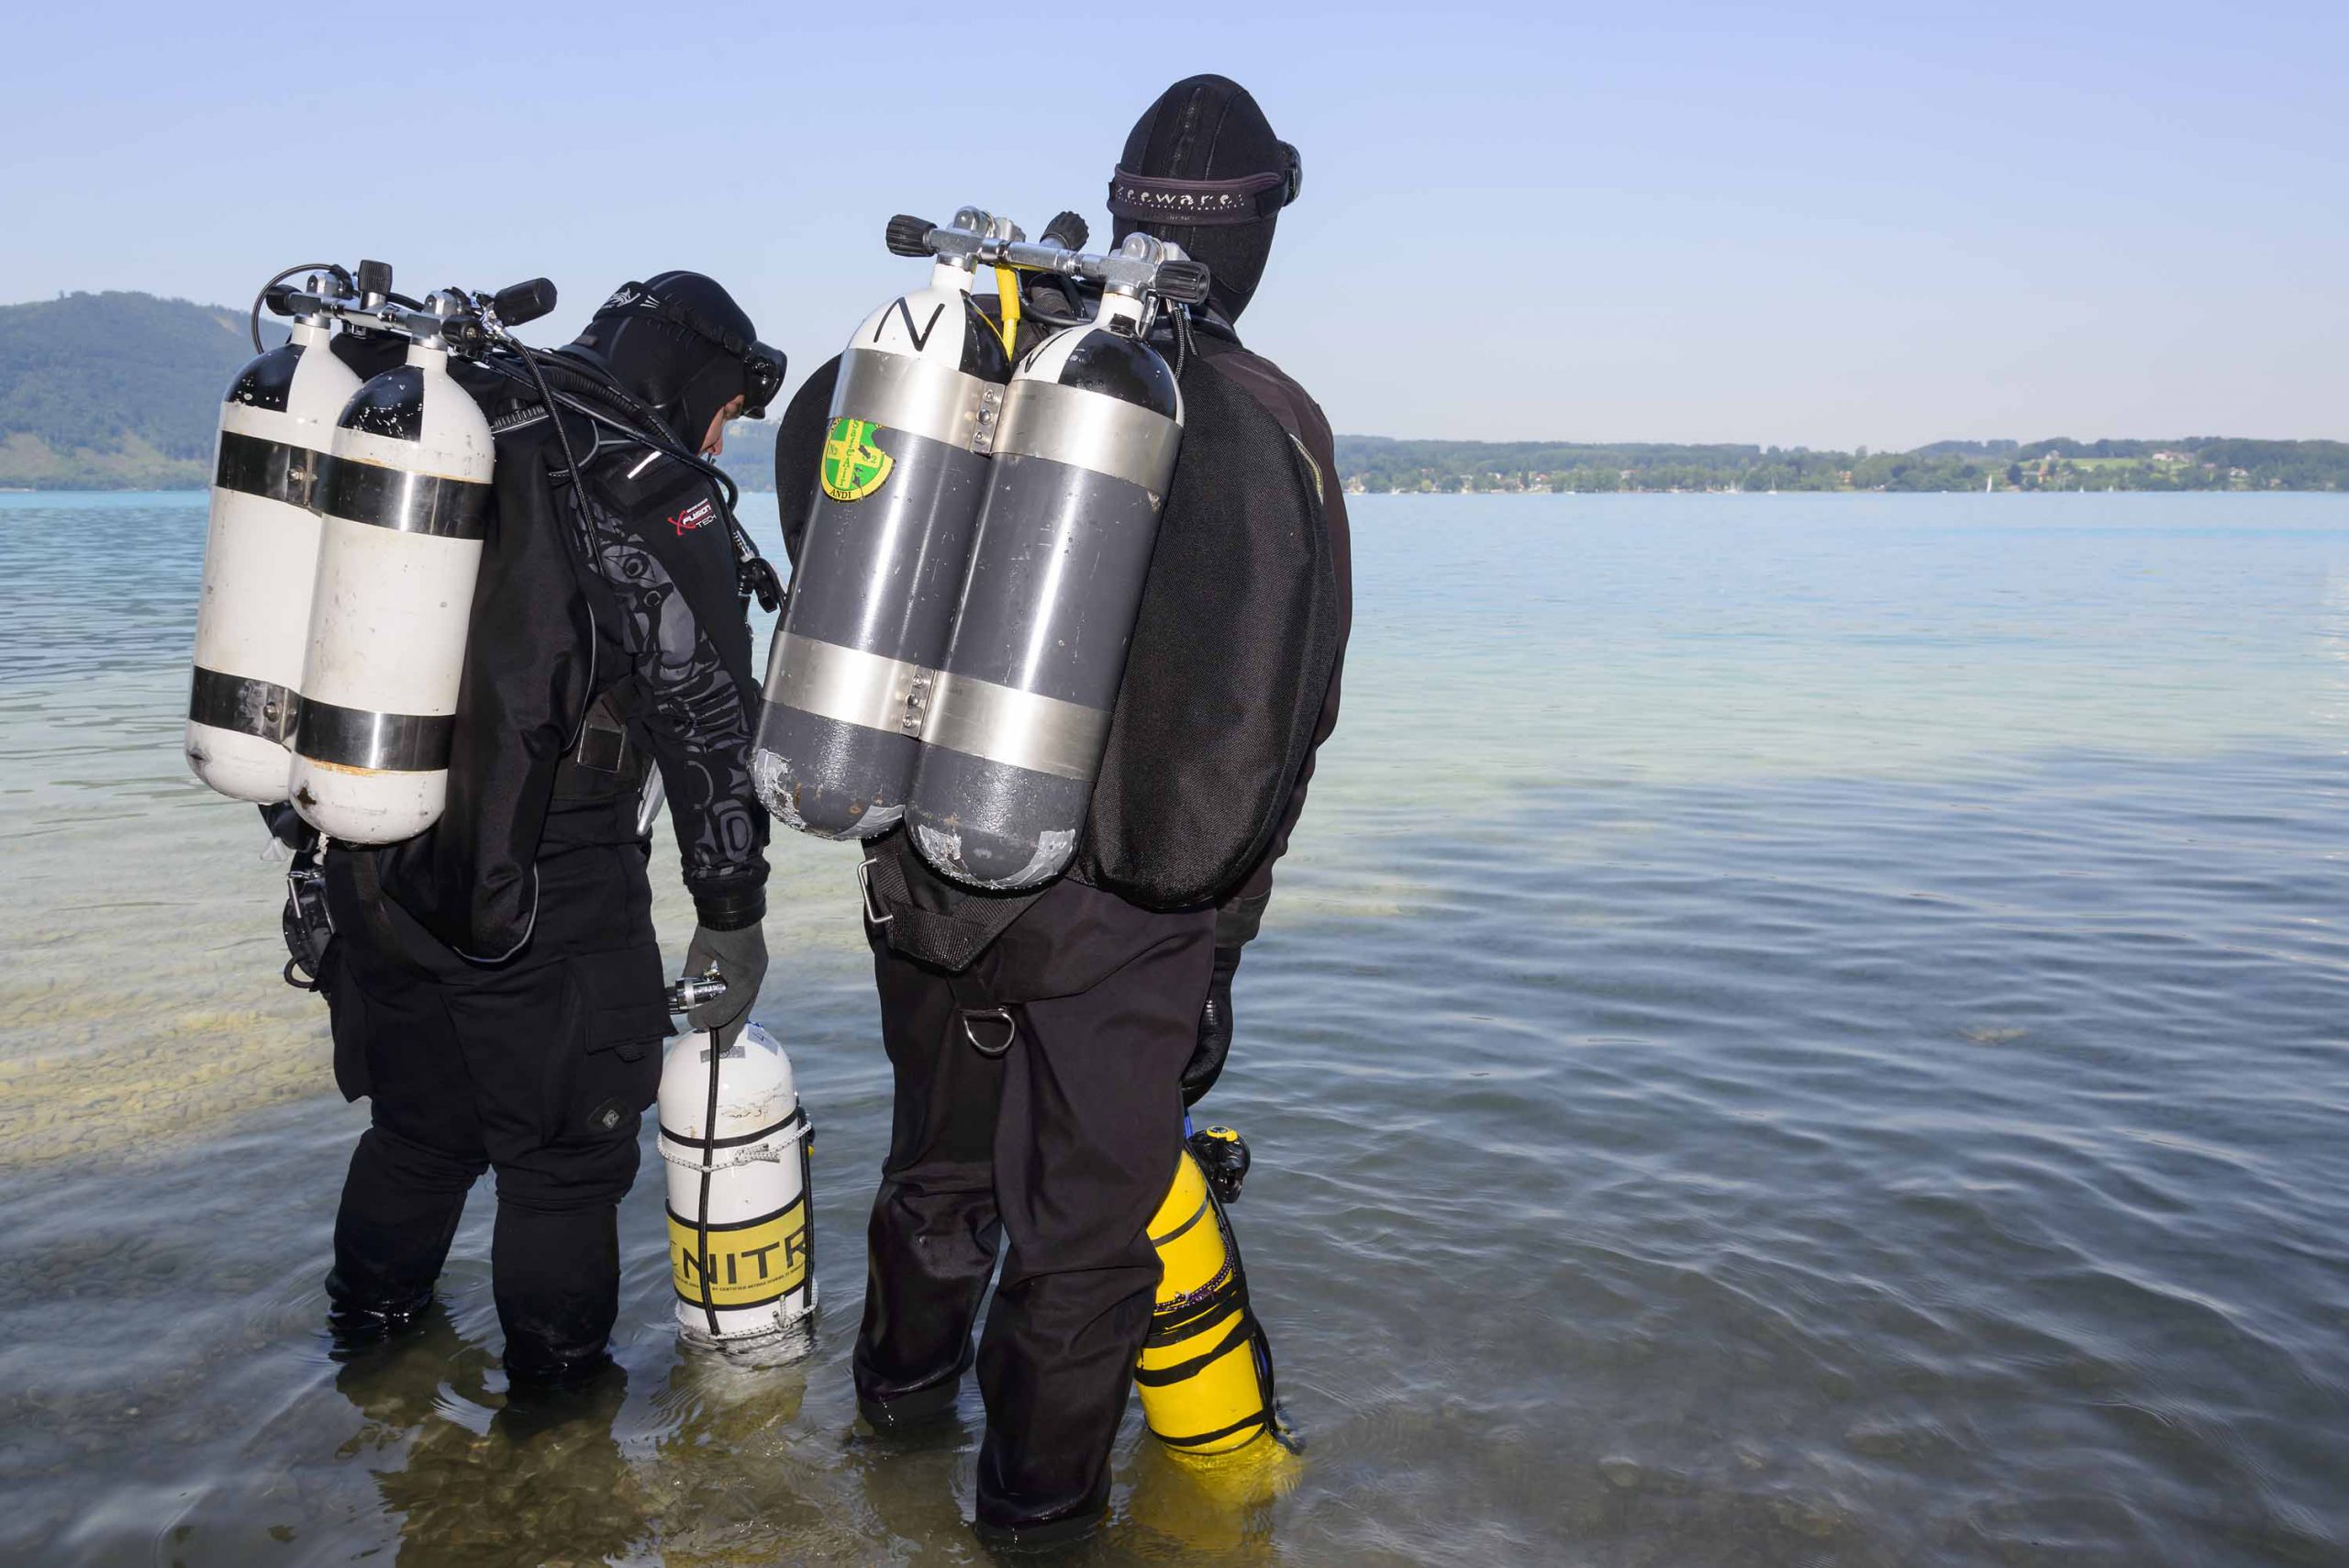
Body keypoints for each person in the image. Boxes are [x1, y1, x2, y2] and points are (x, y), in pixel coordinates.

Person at [773, 76, 1352, 1546]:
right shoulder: (1272, 418)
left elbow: (831, 527)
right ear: (1263, 223)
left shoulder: (972, 360)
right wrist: (1217, 951)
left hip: (930, 880)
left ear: (1120, 201)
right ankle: (1032, 1525)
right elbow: (1283, 726)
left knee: (935, 1179)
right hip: (1129, 922)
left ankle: (893, 1441)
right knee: (1085, 1253)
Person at [306, 272, 782, 1389]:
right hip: (549, 873)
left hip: (376, 842)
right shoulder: (631, 471)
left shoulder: (455, 411)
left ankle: (366, 1370)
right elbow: (705, 709)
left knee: (418, 1133)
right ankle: (558, 1428)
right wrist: (733, 912)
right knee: (562, 1167)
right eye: (729, 408)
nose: (723, 433)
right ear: (695, 376)